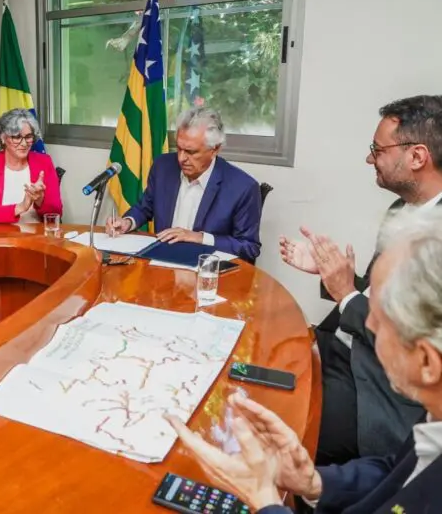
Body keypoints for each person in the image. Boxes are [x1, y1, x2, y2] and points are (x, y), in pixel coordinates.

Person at [168, 206, 442, 514]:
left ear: (427, 362)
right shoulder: (434, 418)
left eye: (378, 318)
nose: (366, 325)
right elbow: (395, 473)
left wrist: (266, 501)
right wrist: (313, 482)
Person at [280, 95, 442, 465]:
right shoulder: (401, 208)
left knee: (271, 423)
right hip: (344, 348)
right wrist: (331, 275)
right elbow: (379, 296)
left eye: (378, 149)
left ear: (417, 156)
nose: (370, 158)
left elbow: (410, 342)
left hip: (378, 391)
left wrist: (346, 292)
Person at [105, 106, 262, 262]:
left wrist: (200, 238)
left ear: (215, 149)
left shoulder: (242, 187)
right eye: (179, 148)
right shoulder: (163, 167)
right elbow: (145, 207)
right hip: (161, 265)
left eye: (191, 152)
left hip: (207, 272)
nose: (181, 158)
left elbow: (249, 247)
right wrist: (127, 222)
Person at [0, 109, 62, 224]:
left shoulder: (44, 162)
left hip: (36, 236)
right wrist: (21, 207)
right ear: (3, 138)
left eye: (28, 136)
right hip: (1, 237)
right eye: (16, 137)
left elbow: (57, 212)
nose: (24, 143)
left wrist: (40, 200)